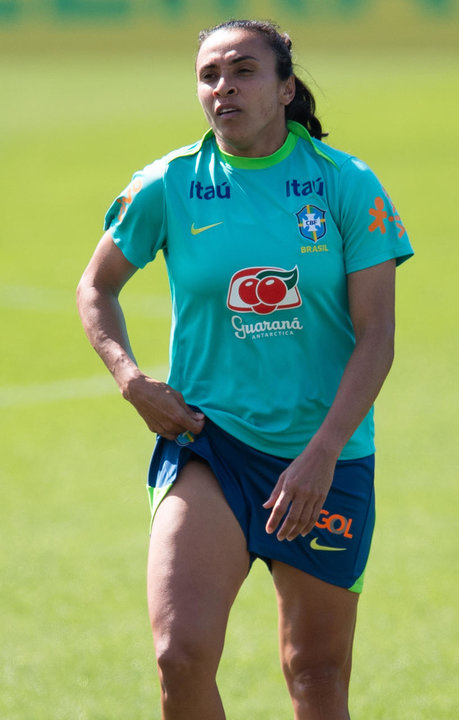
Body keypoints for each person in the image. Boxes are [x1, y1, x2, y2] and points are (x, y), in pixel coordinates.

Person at [76, 19, 412, 719]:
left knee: (316, 675)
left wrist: (321, 455)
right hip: (209, 442)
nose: (222, 87)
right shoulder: (168, 183)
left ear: (286, 88)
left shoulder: (346, 184)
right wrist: (131, 379)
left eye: (243, 71)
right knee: (180, 654)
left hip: (325, 455)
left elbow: (376, 336)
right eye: (209, 76)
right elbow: (96, 287)